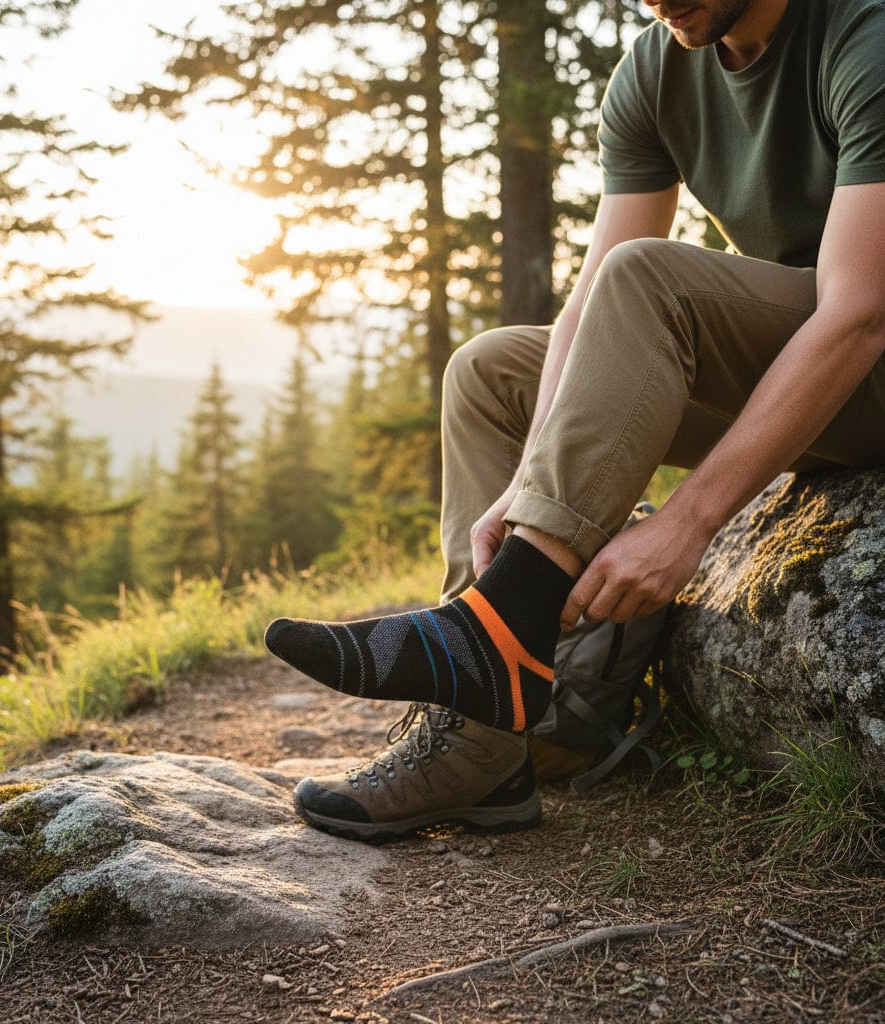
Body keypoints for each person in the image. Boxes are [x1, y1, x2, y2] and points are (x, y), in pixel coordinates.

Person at [265, 0, 885, 841]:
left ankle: (491, 635)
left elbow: (859, 314)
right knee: (491, 373)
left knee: (652, 278)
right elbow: (591, 301)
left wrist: (689, 522)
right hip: (792, 370)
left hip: (866, 362)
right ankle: (481, 746)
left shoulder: (863, 35)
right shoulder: (654, 70)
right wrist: (528, 482)